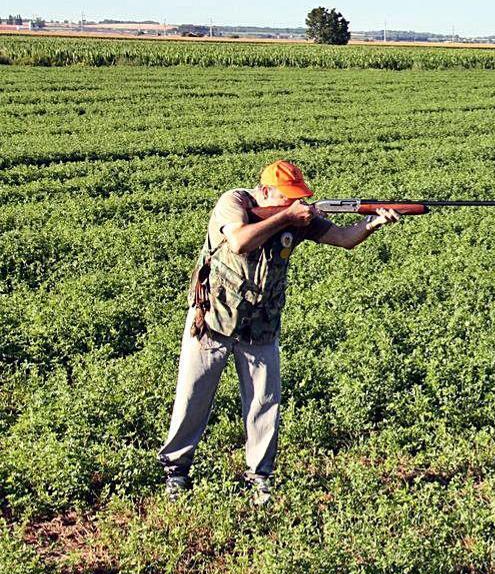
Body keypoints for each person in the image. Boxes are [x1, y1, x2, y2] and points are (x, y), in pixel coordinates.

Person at [158, 160, 403, 504]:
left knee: (264, 403)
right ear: (266, 192)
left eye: (295, 199)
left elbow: (345, 239)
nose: (292, 204)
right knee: (193, 397)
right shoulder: (235, 203)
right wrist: (285, 218)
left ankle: (259, 477)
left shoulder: (299, 218)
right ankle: (176, 471)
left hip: (261, 323)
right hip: (215, 315)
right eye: (285, 198)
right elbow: (241, 242)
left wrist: (373, 222)